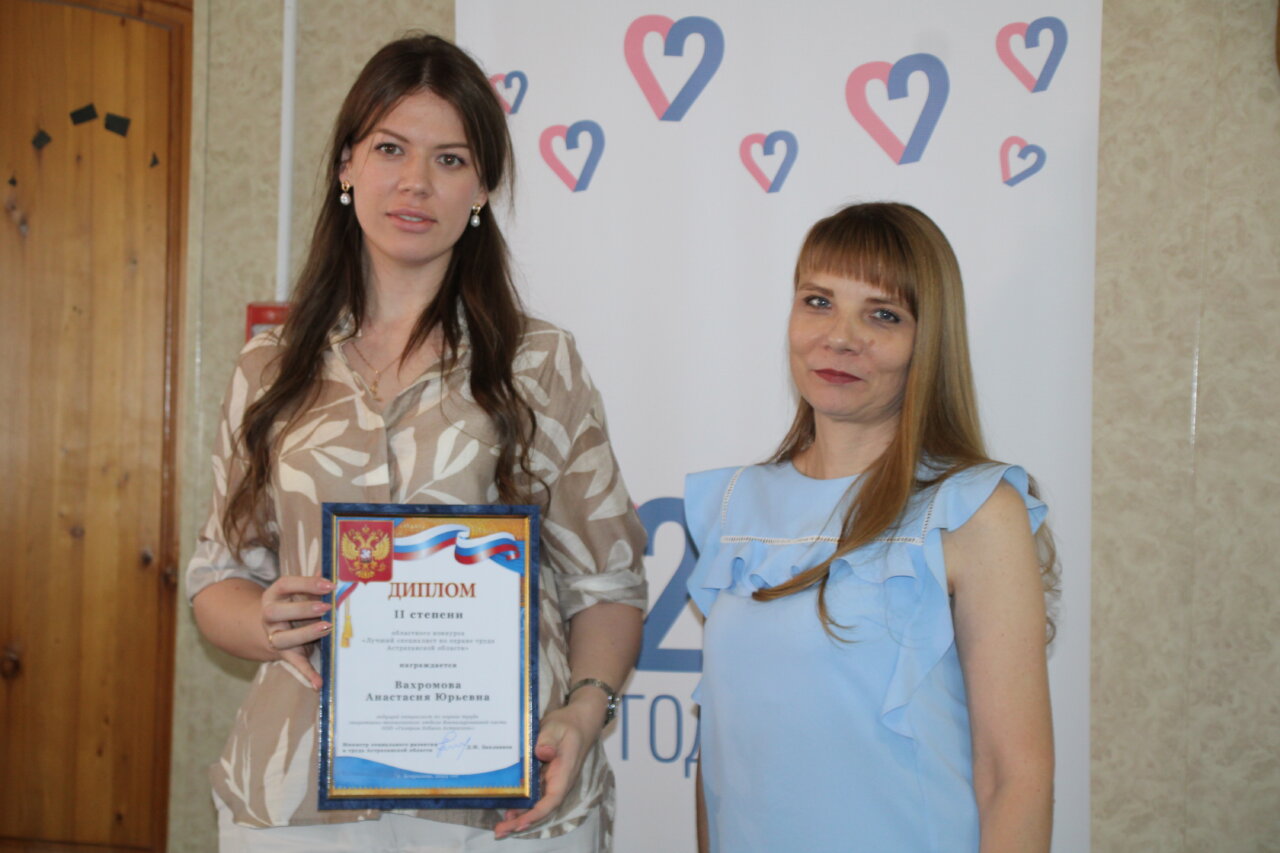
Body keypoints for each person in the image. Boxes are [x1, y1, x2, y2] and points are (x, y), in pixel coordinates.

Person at [186, 33, 647, 851]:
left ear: (482, 187)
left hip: (502, 802)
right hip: (299, 799)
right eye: (390, 148)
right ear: (347, 166)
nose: (415, 182)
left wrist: (585, 709)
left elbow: (607, 583)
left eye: (450, 159)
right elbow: (217, 575)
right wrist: (262, 619)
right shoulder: (269, 365)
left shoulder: (539, 363)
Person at [685, 202, 1056, 853]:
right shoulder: (735, 504)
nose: (840, 337)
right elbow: (723, 754)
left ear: (927, 341)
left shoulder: (974, 509)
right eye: (818, 302)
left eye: (882, 314)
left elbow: (1014, 777)